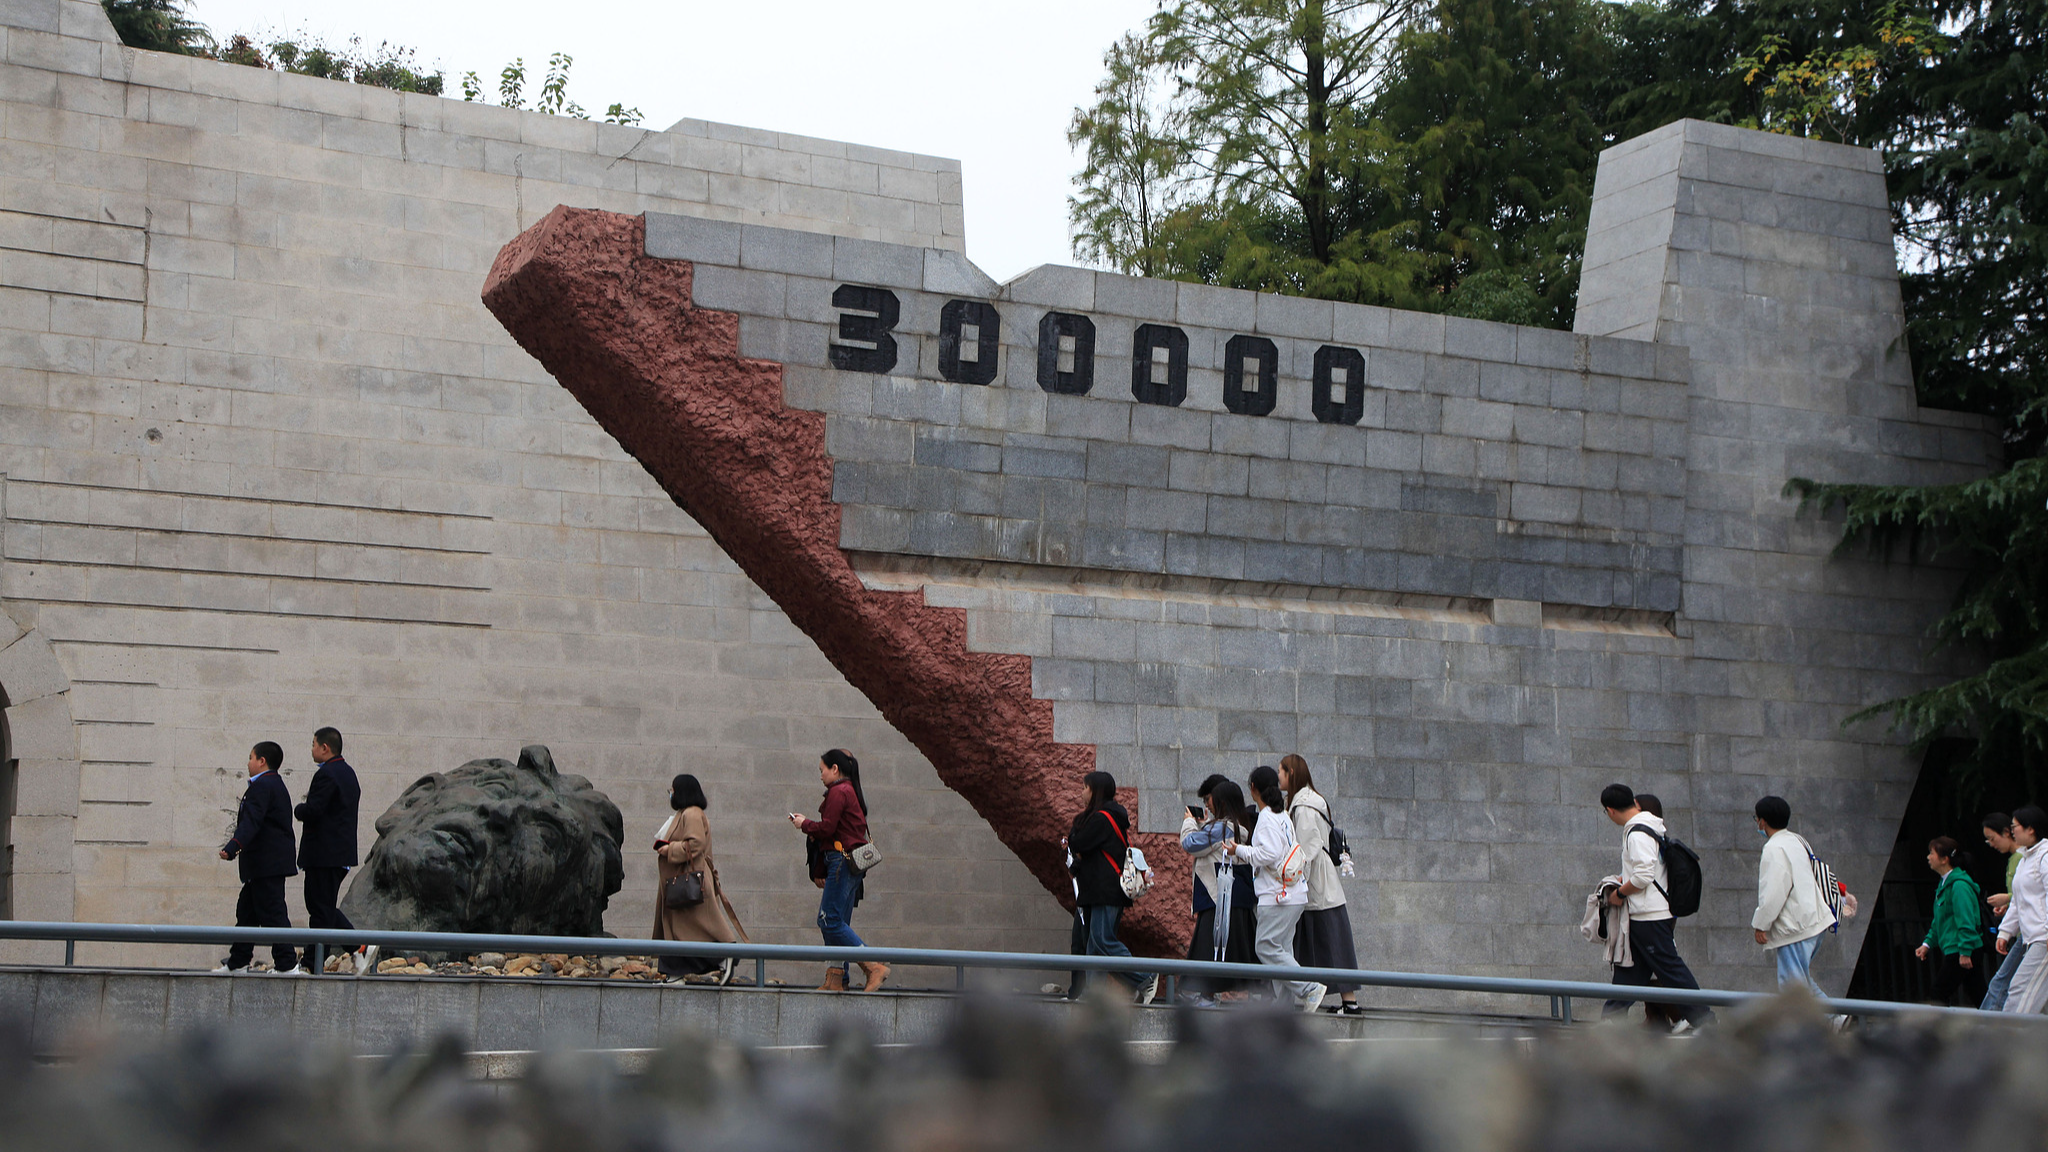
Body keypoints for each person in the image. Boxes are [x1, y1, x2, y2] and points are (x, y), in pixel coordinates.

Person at [1599, 783, 1712, 1032]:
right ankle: (1611, 1017)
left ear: (1610, 810)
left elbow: (1643, 876)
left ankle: (1705, 1020)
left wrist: (1619, 892)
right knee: (1631, 969)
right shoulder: (1649, 827)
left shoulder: (1637, 833)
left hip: (1650, 915)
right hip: (1646, 913)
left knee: (1671, 969)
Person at [1223, 765, 1325, 1012]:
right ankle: (1284, 1006)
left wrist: (1239, 850)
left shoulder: (1268, 818)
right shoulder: (1282, 816)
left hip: (1278, 896)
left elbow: (1268, 854)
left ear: (1253, 789)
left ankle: (1310, 988)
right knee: (1282, 951)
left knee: (1266, 947)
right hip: (1293, 893)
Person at [791, 749, 887, 992]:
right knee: (838, 920)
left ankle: (872, 965)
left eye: (822, 769)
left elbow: (827, 828)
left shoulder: (838, 791)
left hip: (841, 862)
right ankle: (836, 978)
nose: (820, 775)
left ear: (835, 769)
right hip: (850, 864)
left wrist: (804, 824)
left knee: (829, 919)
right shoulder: (849, 791)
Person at [1067, 770, 1156, 1003]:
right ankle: (1093, 994)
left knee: (1102, 940)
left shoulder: (1101, 819)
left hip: (1105, 890)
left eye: (1085, 788)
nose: (1081, 792)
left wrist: (1075, 829)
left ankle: (1145, 977)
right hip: (1101, 890)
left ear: (1095, 790)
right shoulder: (1108, 817)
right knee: (1095, 946)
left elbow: (1078, 842)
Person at [1280, 754, 1360, 1014]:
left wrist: (1293, 879)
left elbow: (1307, 848)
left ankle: (1348, 1003)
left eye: (1281, 771)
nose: (1278, 776)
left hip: (1314, 885)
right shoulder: (1311, 800)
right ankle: (1346, 1002)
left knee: (1327, 941)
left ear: (1291, 773)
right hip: (1320, 884)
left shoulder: (1302, 807)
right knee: (1328, 942)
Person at [654, 773, 747, 984]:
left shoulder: (692, 814)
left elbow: (695, 844)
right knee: (680, 931)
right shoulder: (685, 813)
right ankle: (676, 973)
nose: (671, 794)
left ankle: (723, 955)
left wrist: (669, 849)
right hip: (682, 881)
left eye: (673, 790)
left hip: (688, 881)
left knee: (692, 929)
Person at [216, 742, 300, 974]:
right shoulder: (271, 784)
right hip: (262, 866)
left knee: (273, 914)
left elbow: (252, 821)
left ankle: (287, 964)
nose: (248, 762)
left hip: (266, 865)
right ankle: (238, 962)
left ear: (262, 760)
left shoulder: (263, 786)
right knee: (247, 913)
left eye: (251, 757)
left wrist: (233, 846)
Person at [1750, 795, 1838, 998]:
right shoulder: (1796, 840)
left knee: (1792, 987)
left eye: (1756, 818)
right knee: (1802, 981)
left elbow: (1773, 891)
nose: (1757, 823)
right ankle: (1835, 1018)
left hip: (1795, 925)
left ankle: (1806, 1028)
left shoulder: (1774, 848)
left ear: (1763, 821)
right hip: (1814, 920)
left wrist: (1761, 924)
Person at [293, 726, 360, 973]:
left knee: (319, 909)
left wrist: (299, 809)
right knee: (323, 908)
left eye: (313, 744)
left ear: (325, 747)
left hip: (323, 855)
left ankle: (313, 961)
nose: (311, 749)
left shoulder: (327, 774)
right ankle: (358, 947)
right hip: (338, 854)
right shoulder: (348, 773)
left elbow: (314, 811)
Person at [1180, 774, 1247, 1004]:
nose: (1208, 804)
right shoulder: (1237, 825)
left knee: (1209, 946)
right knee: (1231, 948)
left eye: (1212, 799)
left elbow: (1191, 844)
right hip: (1231, 897)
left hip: (1217, 896)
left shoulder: (1223, 827)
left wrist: (1189, 822)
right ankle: (1210, 994)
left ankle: (1205, 995)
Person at [1915, 836, 1986, 1007]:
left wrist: (1965, 951)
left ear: (1944, 859)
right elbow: (1939, 920)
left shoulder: (1958, 886)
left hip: (1960, 949)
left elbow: (1966, 920)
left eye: (1931, 853)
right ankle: (2002, 1027)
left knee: (1938, 993)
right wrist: (1927, 943)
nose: (1928, 857)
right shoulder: (1945, 884)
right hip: (1959, 948)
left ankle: (1938, 1032)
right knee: (1979, 995)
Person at [1992, 805, 2047, 1014]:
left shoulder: (2045, 856)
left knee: (2020, 990)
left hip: (2043, 938)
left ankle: (2010, 1041)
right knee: (2038, 1001)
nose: (2012, 831)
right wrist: (2006, 932)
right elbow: (2018, 901)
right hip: (2034, 938)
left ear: (2030, 829)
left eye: (2015, 826)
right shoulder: (2026, 859)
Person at [1980, 813, 2025, 1010]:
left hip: (2029, 933)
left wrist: (2006, 898)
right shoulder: (2017, 859)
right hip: (2026, 931)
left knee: (2002, 982)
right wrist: (2008, 904)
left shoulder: (2023, 858)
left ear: (2007, 832)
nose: (1991, 844)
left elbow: (2031, 894)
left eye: (1992, 838)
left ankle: (1988, 1027)